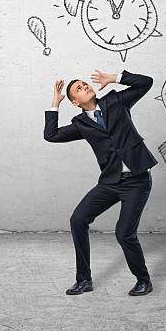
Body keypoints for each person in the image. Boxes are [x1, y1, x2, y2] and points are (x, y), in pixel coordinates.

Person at [43, 69, 158, 296]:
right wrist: (55, 103)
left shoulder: (116, 101)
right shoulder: (81, 124)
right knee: (78, 219)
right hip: (111, 182)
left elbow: (146, 82)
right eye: (79, 88)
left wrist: (114, 78)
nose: (85, 86)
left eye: (85, 84)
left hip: (137, 181)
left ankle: (143, 280)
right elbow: (51, 135)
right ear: (75, 102)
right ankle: (84, 279)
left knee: (124, 233)